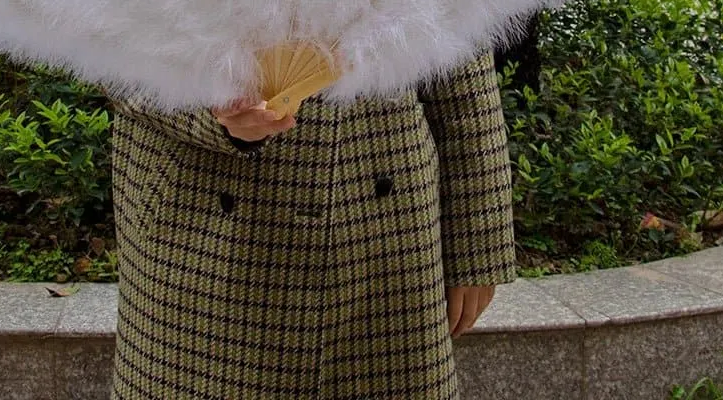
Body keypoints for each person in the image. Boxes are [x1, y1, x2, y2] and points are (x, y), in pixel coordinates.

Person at [107, 48, 515, 399]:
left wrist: (479, 237)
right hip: (198, 224)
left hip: (384, 222)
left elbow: (461, 18)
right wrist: (202, 103)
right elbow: (101, 32)